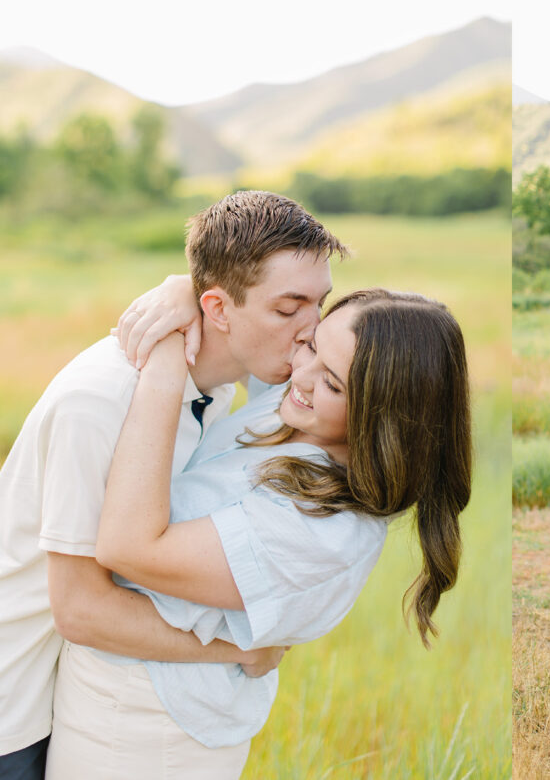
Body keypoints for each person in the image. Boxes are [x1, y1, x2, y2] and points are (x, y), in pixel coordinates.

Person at [45, 288, 471, 778]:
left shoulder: (321, 529)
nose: (301, 373)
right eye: (312, 344)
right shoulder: (302, 411)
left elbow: (127, 548)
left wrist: (165, 359)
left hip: (147, 726)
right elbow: (243, 318)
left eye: (332, 383)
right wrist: (186, 291)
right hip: (111, 686)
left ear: (384, 417)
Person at [0, 190, 342, 779]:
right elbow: (79, 609)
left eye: (320, 305)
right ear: (217, 307)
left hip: (80, 692)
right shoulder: (100, 402)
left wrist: (181, 287)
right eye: (288, 310)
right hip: (17, 707)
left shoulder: (227, 383)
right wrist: (235, 650)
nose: (313, 332)